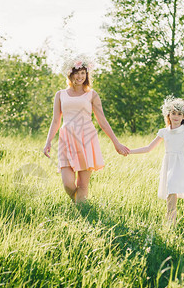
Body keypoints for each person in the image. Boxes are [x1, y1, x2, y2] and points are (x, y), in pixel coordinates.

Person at [43, 54, 130, 203]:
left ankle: (82, 213)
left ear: (87, 74)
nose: (80, 76)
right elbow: (56, 120)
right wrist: (48, 141)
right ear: (70, 74)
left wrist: (116, 143)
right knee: (68, 183)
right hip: (67, 138)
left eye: (83, 73)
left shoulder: (92, 95)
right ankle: (80, 203)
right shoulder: (60, 95)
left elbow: (102, 120)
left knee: (82, 184)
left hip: (86, 138)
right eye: (77, 72)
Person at [129, 96, 184, 223]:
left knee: (172, 190)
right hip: (168, 164)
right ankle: (170, 221)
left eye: (179, 114)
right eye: (173, 113)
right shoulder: (164, 132)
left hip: (181, 165)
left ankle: (170, 223)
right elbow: (148, 148)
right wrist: (130, 152)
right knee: (170, 194)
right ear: (168, 114)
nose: (176, 116)